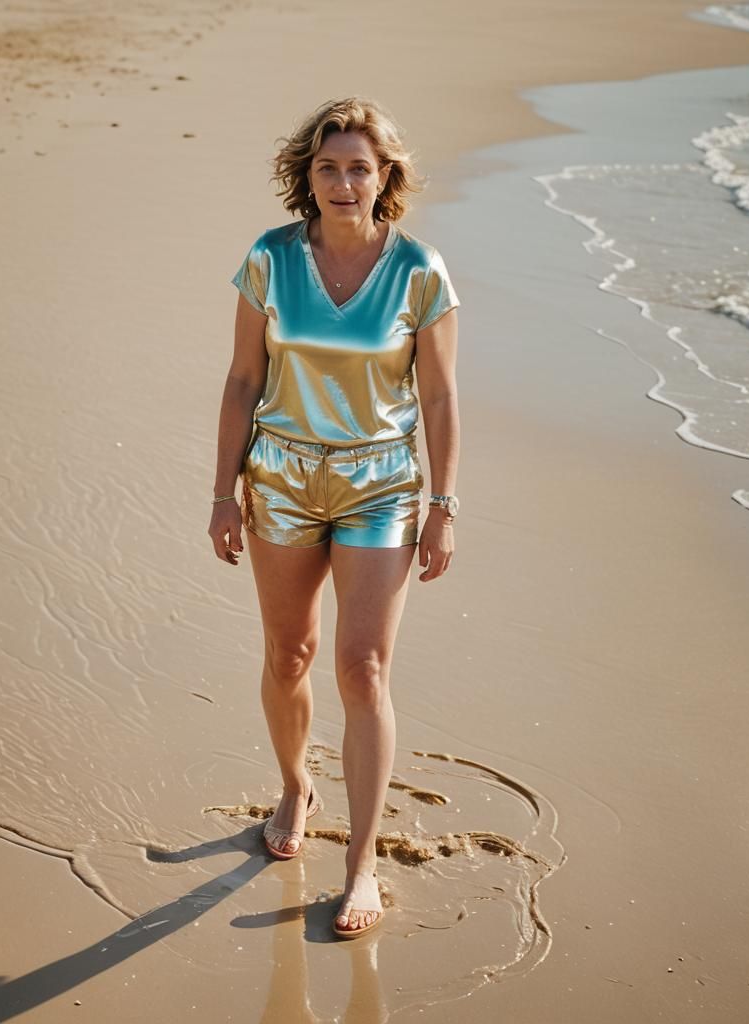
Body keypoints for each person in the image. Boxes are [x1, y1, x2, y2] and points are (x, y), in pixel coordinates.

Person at [208, 96, 460, 940]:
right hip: (278, 480)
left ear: (386, 176)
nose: (344, 181)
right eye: (328, 166)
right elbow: (243, 380)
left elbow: (439, 396)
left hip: (381, 487)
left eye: (360, 166)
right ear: (306, 176)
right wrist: (221, 493)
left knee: (362, 669)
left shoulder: (421, 270)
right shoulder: (270, 260)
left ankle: (361, 867)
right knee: (289, 654)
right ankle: (293, 787)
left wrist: (442, 506)